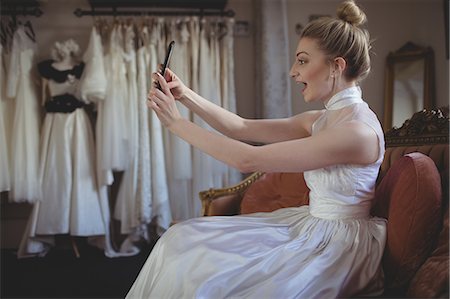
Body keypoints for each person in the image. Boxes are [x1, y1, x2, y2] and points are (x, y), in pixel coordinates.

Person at [127, 0, 387, 298]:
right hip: (311, 226)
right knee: (179, 240)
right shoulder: (322, 119)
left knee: (223, 279)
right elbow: (241, 127)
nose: (293, 71)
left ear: (336, 66)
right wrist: (185, 96)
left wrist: (176, 124)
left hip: (340, 246)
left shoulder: (357, 132)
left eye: (302, 61)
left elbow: (247, 159)